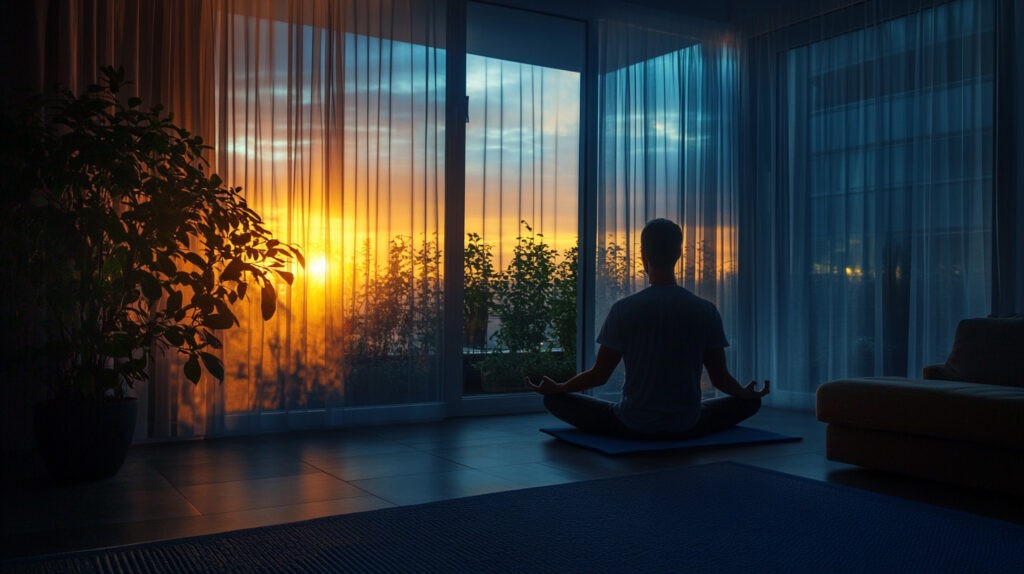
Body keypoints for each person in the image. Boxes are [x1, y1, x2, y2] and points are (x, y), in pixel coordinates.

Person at [525, 218, 769, 439]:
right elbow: (720, 379)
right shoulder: (705, 310)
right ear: (678, 254)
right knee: (750, 404)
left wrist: (560, 388)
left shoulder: (624, 309)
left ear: (643, 254)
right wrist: (743, 392)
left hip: (632, 423)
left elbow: (599, 375)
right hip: (688, 423)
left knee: (554, 401)